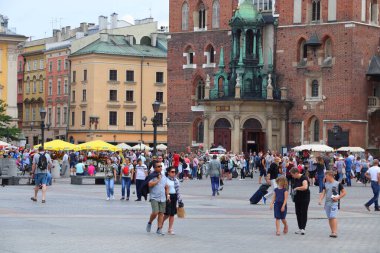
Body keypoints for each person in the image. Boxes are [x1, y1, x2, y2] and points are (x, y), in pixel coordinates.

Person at [318, 170, 346, 238]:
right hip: (327, 203)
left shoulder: (337, 184)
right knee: (330, 218)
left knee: (333, 216)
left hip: (335, 203)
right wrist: (320, 200)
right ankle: (332, 231)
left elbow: (344, 192)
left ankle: (334, 232)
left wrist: (338, 198)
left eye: (326, 175)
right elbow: (323, 192)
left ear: (330, 176)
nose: (325, 177)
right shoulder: (326, 184)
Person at [146, 162, 169, 236]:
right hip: (154, 197)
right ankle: (150, 222)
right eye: (158, 166)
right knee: (155, 212)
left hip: (162, 197)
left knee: (161, 213)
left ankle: (159, 229)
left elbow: (166, 186)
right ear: (155, 168)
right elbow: (149, 184)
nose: (160, 167)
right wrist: (158, 180)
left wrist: (168, 195)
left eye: (161, 166)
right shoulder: (152, 176)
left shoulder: (164, 176)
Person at [163, 166, 184, 235]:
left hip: (174, 196)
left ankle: (170, 229)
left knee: (172, 214)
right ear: (168, 172)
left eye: (175, 172)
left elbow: (178, 191)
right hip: (167, 197)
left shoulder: (176, 180)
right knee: (167, 213)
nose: (174, 173)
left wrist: (180, 200)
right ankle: (160, 224)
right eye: (172, 172)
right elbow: (163, 189)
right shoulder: (165, 180)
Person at [290, 167, 310, 235]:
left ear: (296, 173)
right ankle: (300, 228)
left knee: (303, 212)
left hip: (304, 198)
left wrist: (297, 188)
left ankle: (303, 229)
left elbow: (305, 187)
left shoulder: (304, 178)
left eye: (292, 174)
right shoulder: (295, 179)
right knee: (298, 213)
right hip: (297, 198)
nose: (292, 176)